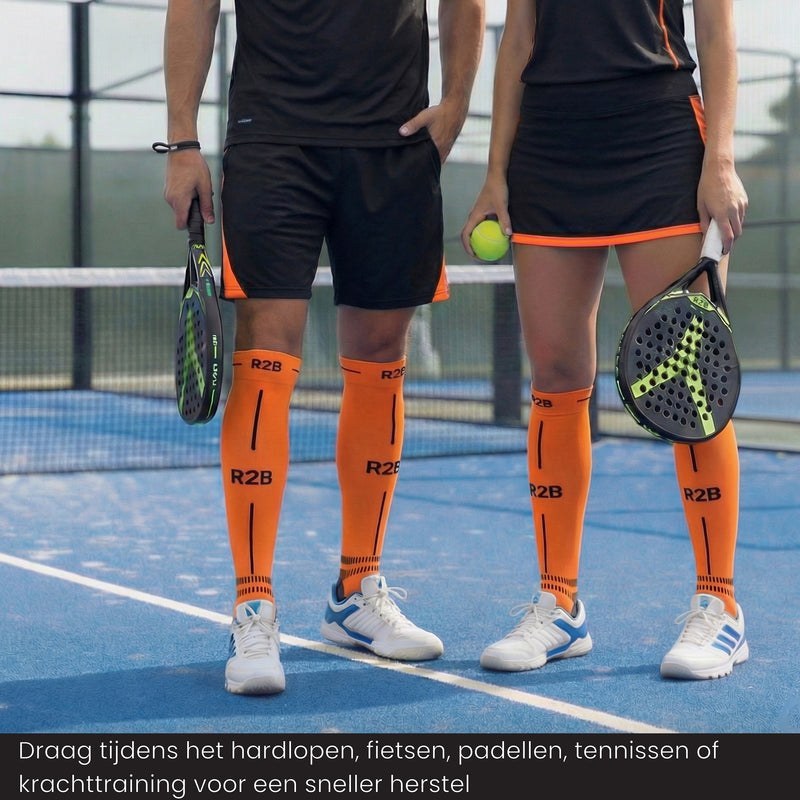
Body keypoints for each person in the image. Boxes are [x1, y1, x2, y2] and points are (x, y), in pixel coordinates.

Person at [158, 0, 485, 694]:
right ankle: (254, 603)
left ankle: (356, 590)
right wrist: (182, 139)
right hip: (273, 137)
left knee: (381, 353)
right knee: (266, 354)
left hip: (394, 142)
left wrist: (457, 101)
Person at [461, 0, 748, 680]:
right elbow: (521, 34)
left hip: (660, 133)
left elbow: (716, 27)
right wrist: (496, 171)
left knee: (691, 379)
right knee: (556, 374)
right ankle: (558, 605)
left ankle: (722, 607)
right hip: (551, 143)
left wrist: (721, 158)